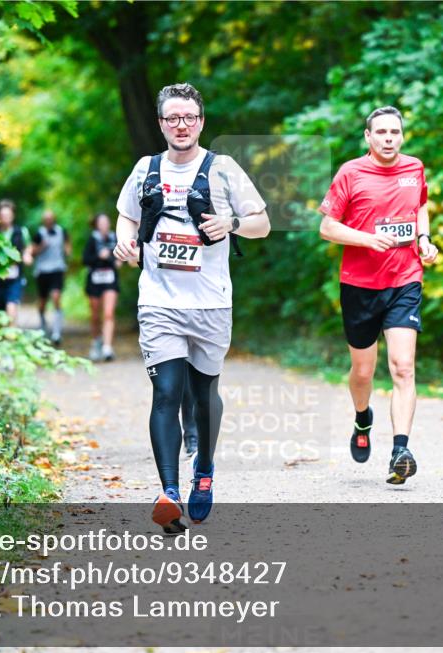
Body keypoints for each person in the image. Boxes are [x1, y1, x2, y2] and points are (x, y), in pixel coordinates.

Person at [113, 82, 269, 532]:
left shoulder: (224, 170)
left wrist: (232, 222)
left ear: (201, 121)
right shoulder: (146, 168)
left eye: (189, 118)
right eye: (172, 118)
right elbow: (127, 214)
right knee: (166, 393)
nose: (181, 126)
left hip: (211, 305)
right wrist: (126, 238)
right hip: (159, 301)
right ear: (161, 123)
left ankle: (203, 471)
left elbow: (262, 223)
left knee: (202, 396)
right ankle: (169, 492)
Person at [318, 106, 439, 485]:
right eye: (381, 132)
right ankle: (362, 416)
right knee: (363, 371)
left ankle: (400, 450)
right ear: (368, 137)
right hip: (359, 285)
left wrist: (424, 239)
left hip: (405, 280)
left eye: (395, 132)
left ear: (402, 136)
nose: (389, 138)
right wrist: (367, 239)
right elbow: (327, 227)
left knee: (403, 367)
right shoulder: (351, 173)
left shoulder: (414, 168)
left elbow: (420, 204)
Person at [0, 199, 32, 325]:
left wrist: (27, 255)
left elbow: (28, 246)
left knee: (11, 308)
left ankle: (11, 338)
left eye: (8, 215)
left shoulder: (21, 232)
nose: (5, 218)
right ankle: (1, 342)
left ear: (13, 216)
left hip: (14, 278)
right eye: (3, 215)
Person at [82, 212, 120, 361]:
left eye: (106, 222)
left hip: (110, 279)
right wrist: (98, 256)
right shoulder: (92, 240)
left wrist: (118, 261)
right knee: (95, 315)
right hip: (94, 280)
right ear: (97, 225)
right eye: (101, 223)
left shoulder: (114, 238)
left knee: (109, 313)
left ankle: (107, 347)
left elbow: (121, 255)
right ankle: (96, 341)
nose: (104, 225)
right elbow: (85, 259)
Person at [31, 209, 71, 344]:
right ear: (43, 221)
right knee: (42, 302)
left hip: (57, 269)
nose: (48, 221)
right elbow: (32, 252)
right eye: (46, 219)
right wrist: (42, 246)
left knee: (56, 298)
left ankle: (56, 332)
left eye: (50, 219)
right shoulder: (39, 234)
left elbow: (67, 248)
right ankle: (43, 325)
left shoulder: (62, 231)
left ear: (54, 219)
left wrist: (67, 251)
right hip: (42, 271)